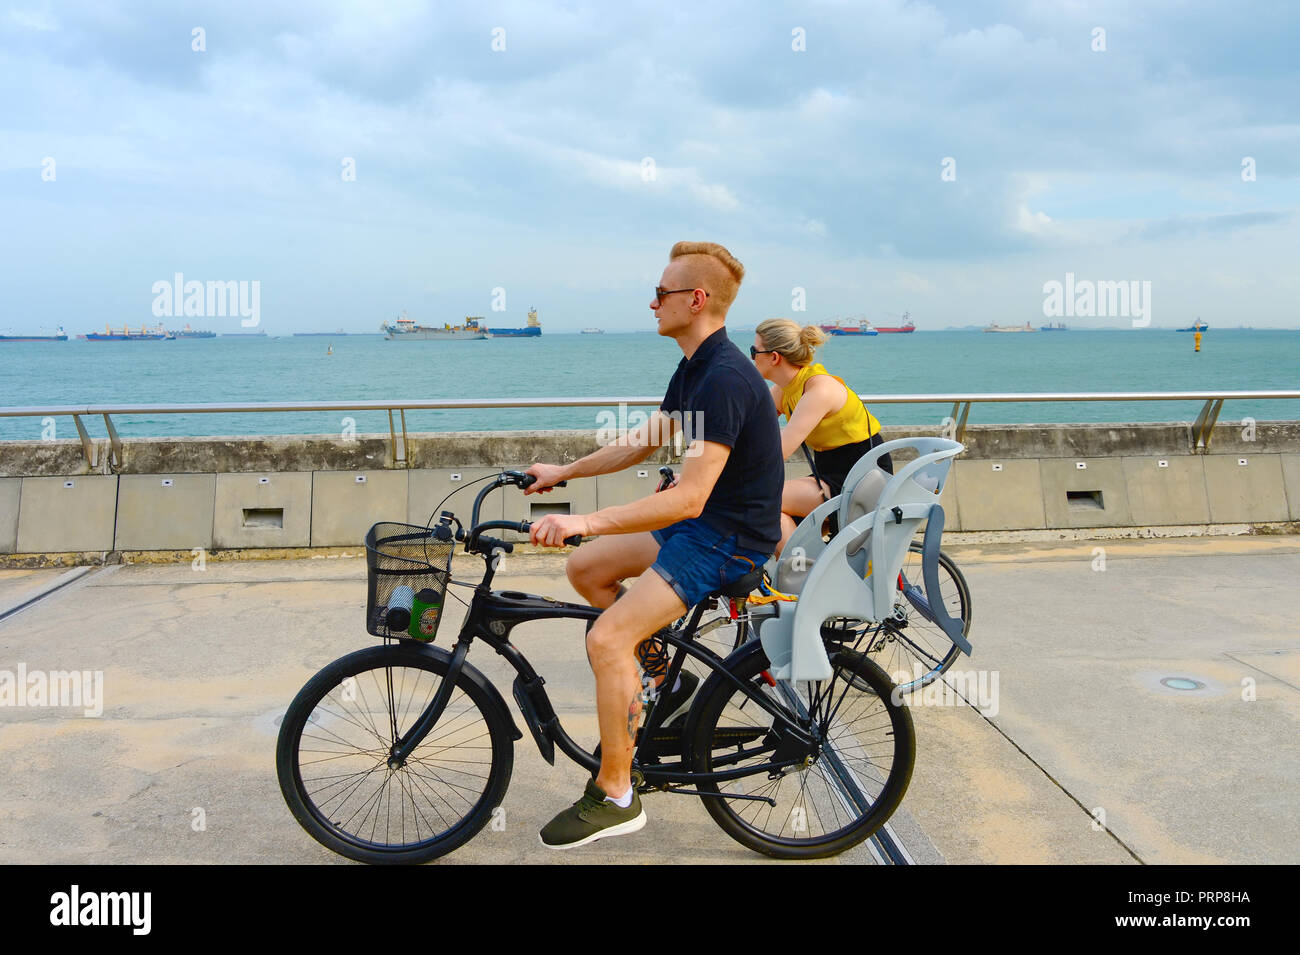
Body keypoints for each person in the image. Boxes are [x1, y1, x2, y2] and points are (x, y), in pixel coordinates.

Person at [524, 241, 783, 849]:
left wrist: (584, 519)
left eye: (661, 294)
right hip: (703, 526)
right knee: (587, 571)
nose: (652, 302)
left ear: (695, 300)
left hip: (726, 537)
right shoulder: (696, 366)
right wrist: (563, 473)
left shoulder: (722, 377)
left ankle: (617, 793)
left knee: (607, 636)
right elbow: (641, 444)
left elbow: (689, 498)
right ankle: (659, 677)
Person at [750, 318, 893, 556]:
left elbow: (777, 453)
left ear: (774, 357)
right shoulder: (786, 390)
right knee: (769, 514)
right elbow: (748, 431)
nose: (751, 357)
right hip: (828, 474)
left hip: (861, 478)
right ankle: (799, 573)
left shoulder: (819, 389)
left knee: (760, 498)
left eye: (754, 351)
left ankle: (802, 581)